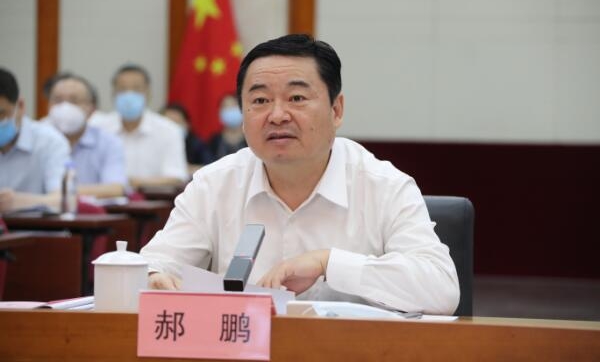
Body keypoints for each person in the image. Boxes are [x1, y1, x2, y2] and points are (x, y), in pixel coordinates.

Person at [140, 34, 459, 314]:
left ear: (336, 110)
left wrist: (328, 263)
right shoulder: (214, 184)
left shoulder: (384, 186)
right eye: (260, 100)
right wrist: (155, 278)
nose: (277, 115)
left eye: (297, 98)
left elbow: (441, 289)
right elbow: (155, 264)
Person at [89, 63, 188, 189]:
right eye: (122, 89)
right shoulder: (97, 128)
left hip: (152, 198)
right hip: (105, 198)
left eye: (137, 89)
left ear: (148, 93)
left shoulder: (169, 130)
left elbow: (176, 177)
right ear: (113, 93)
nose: (129, 95)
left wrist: (131, 183)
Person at [44, 72, 128, 198]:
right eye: (58, 100)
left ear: (91, 109)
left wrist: (59, 192)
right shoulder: (38, 140)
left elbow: (115, 188)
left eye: (74, 101)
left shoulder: (108, 143)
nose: (65, 107)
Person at [0, 67, 70, 213]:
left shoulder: (50, 142)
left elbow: (65, 200)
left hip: (36, 226)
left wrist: (18, 202)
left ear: (20, 106)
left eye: (1, 113)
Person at [162, 103, 214, 174]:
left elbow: (211, 167)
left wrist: (185, 169)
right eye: (168, 123)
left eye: (176, 122)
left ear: (187, 124)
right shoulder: (154, 144)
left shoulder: (197, 145)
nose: (172, 128)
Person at [209, 94, 247, 160]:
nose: (230, 110)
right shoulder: (214, 141)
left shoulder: (252, 139)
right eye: (226, 107)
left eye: (233, 106)